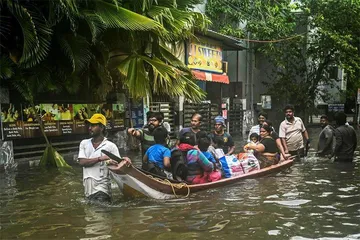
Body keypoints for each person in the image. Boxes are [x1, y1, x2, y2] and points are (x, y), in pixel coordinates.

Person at [78, 113, 131, 203]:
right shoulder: (84, 143)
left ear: (102, 128)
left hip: (102, 190)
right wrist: (101, 158)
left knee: (100, 214)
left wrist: (124, 161)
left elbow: (119, 167)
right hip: (88, 190)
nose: (90, 128)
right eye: (90, 125)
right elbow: (82, 162)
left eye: (93, 125)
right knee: (90, 216)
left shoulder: (110, 146)